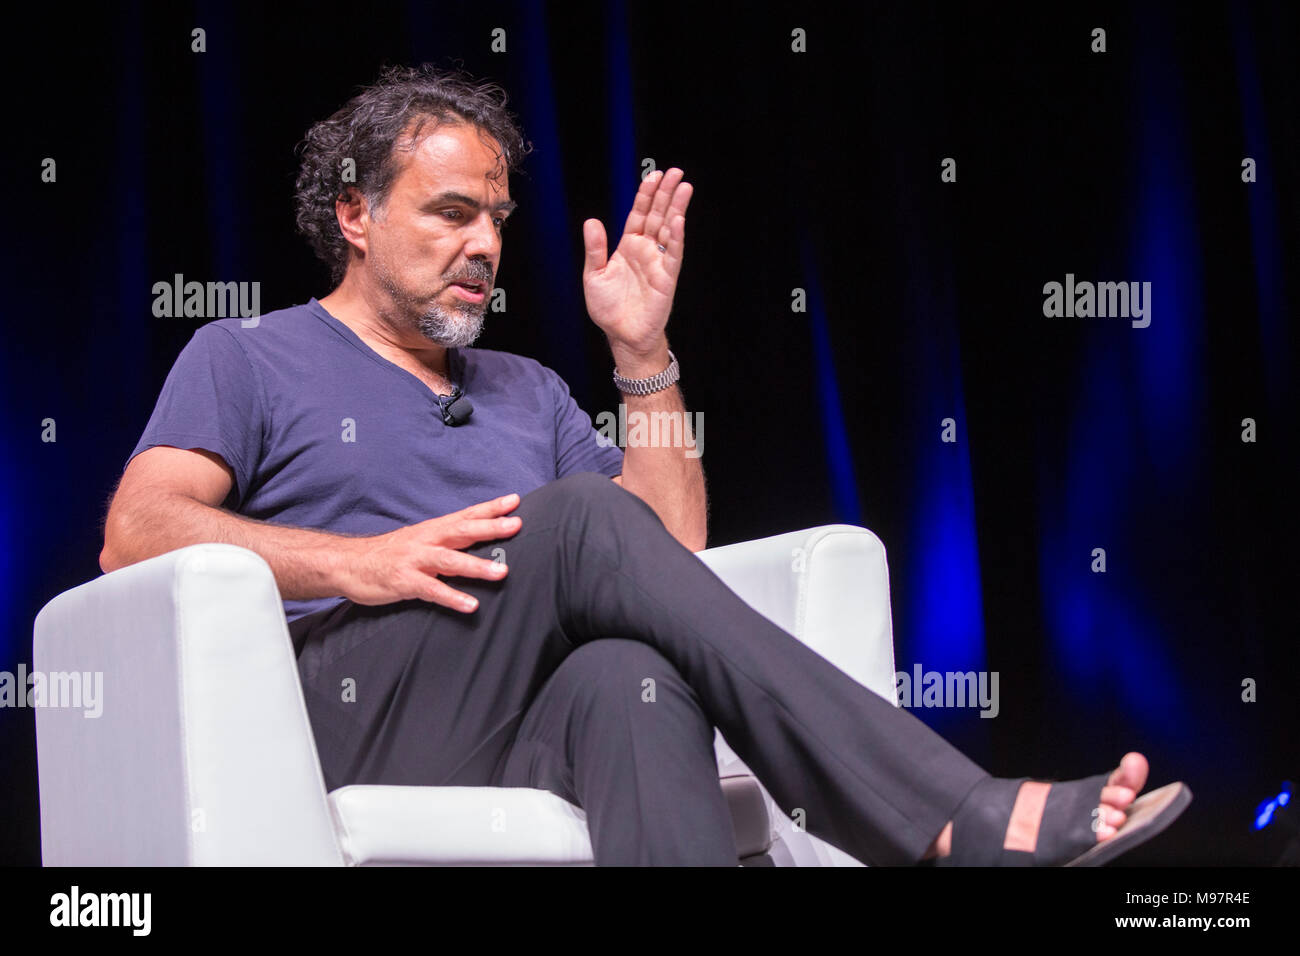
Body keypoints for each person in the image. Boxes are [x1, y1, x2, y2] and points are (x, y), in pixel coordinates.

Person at [99, 64, 1190, 866]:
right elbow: (134, 532)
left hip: (519, 717)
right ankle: (947, 812)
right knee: (575, 516)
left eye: (495, 217)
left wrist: (641, 353)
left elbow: (665, 555)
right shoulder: (245, 354)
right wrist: (361, 562)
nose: (483, 242)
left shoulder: (525, 386)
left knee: (631, 677)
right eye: (449, 211)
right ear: (354, 213)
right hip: (352, 709)